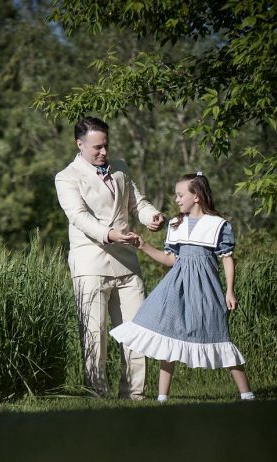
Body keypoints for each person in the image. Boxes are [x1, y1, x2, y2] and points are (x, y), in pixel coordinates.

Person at [110, 172, 255, 402]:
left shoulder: (217, 225)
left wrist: (229, 290)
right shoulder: (177, 224)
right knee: (168, 334)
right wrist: (142, 244)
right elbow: (170, 260)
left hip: (205, 288)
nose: (176, 200)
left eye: (180, 195)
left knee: (219, 333)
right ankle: (162, 397)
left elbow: (227, 258)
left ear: (196, 196)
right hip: (176, 288)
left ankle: (246, 394)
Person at [55, 116, 164, 399]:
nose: (104, 152)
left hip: (127, 261)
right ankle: (98, 396)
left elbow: (136, 202)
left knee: (136, 331)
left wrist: (152, 215)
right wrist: (110, 234)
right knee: (95, 334)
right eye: (97, 148)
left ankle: (135, 395)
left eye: (106, 146)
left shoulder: (121, 168)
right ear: (80, 145)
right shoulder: (66, 177)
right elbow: (79, 217)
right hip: (91, 264)